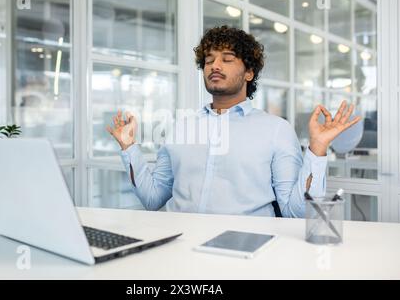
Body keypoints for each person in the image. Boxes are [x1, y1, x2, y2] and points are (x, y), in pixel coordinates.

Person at [106, 26, 361, 218]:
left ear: (249, 73)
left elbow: (295, 212)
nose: (215, 66)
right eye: (208, 60)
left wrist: (318, 148)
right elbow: (152, 198)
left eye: (227, 59)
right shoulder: (181, 127)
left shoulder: (276, 130)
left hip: (246, 251)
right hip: (179, 245)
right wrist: (129, 148)